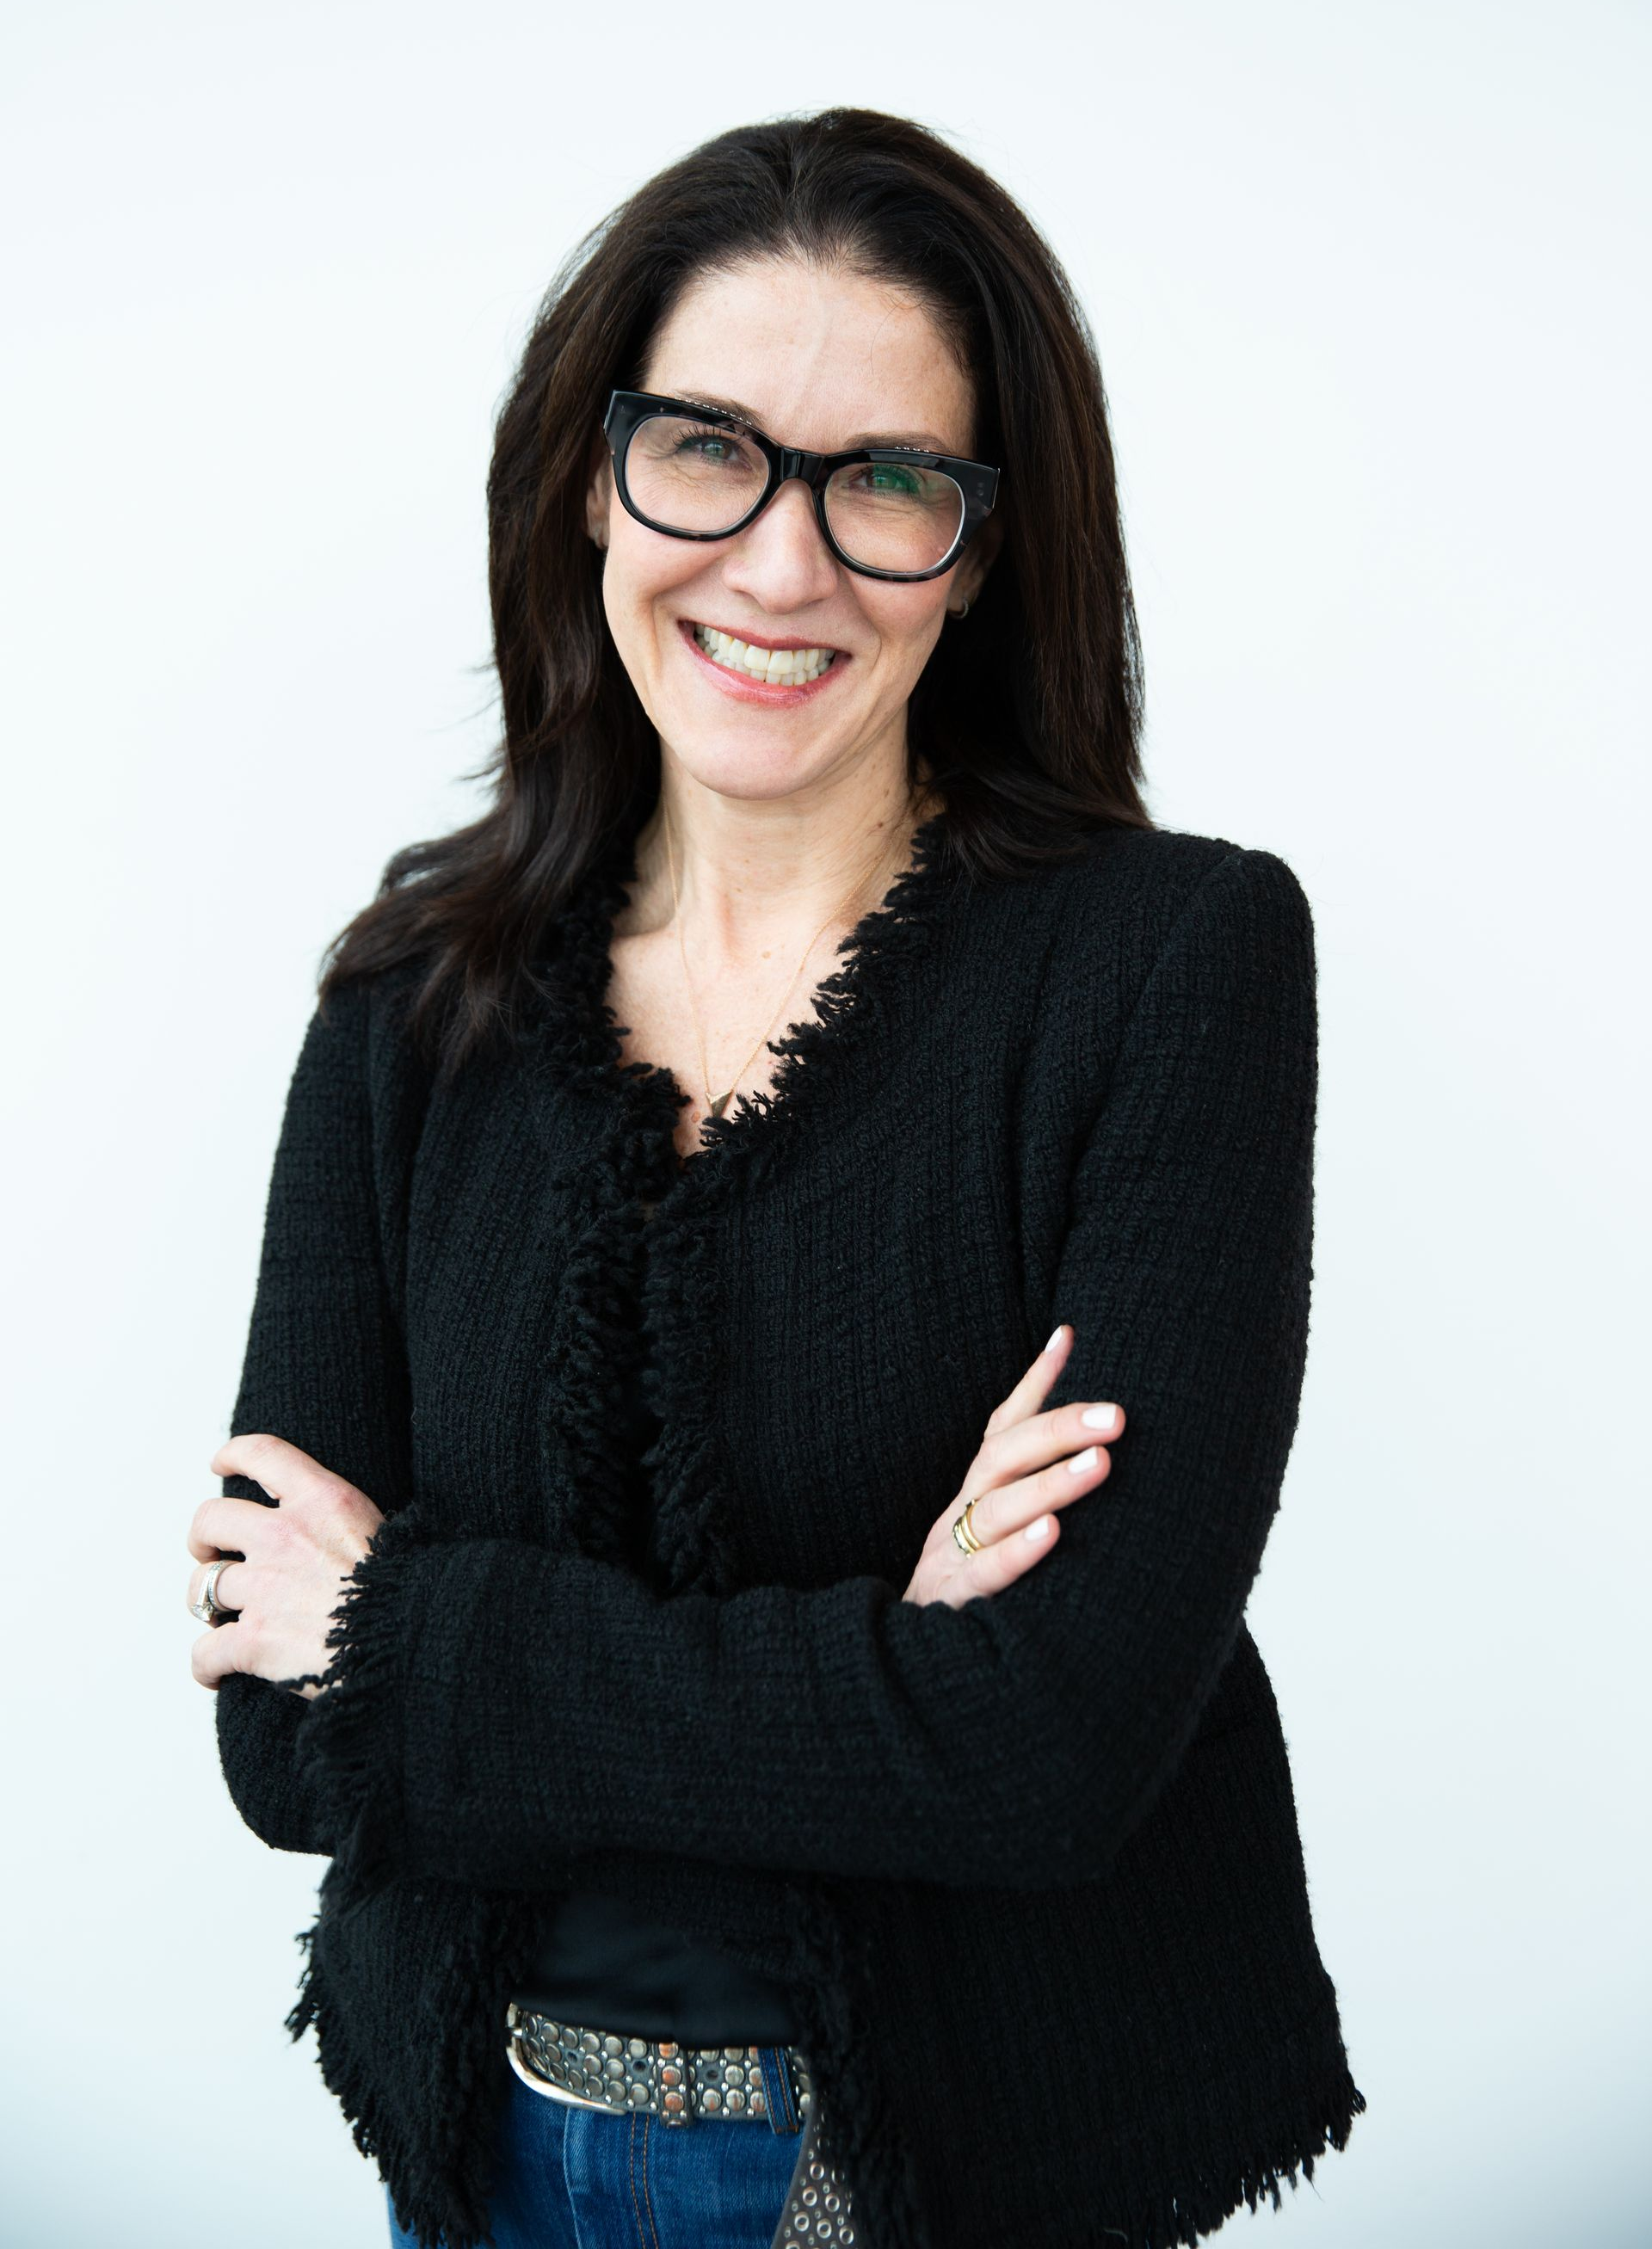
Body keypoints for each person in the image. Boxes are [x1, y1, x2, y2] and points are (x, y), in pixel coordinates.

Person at [186, 107, 1365, 2249]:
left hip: (967, 2178)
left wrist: (412, 1629)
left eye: (888, 481)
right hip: (486, 2158)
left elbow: (1049, 1747)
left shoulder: (1171, 966)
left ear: (986, 547)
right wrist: (878, 1663)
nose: (782, 561)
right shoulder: (409, 1002)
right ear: (591, 473)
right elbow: (278, 1738)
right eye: (707, 447)